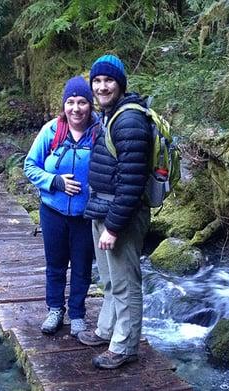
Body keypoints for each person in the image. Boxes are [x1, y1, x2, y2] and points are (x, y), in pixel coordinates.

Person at [78, 55, 151, 369]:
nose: (102, 86)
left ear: (120, 84)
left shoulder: (130, 120)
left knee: (125, 282)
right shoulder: (110, 115)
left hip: (120, 215)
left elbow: (132, 182)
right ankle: (107, 330)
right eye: (97, 81)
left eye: (109, 81)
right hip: (104, 209)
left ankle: (125, 346)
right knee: (109, 280)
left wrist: (113, 226)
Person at [24, 76, 98, 337]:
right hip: (53, 212)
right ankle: (55, 309)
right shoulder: (52, 131)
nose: (75, 108)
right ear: (64, 105)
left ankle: (77, 314)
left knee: (82, 267)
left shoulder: (99, 132)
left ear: (90, 105)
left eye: (81, 102)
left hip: (86, 215)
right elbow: (30, 166)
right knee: (55, 264)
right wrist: (53, 181)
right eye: (70, 102)